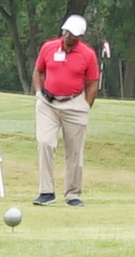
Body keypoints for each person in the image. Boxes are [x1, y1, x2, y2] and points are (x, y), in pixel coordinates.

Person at [31, 14, 100, 205]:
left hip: (75, 103)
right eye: (67, 33)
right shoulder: (49, 47)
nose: (69, 37)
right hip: (48, 102)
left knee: (74, 151)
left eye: (74, 35)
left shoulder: (88, 54)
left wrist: (86, 105)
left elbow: (93, 83)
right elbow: (38, 71)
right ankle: (46, 192)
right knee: (45, 143)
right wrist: (38, 93)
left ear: (80, 37)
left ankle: (72, 194)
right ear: (63, 31)